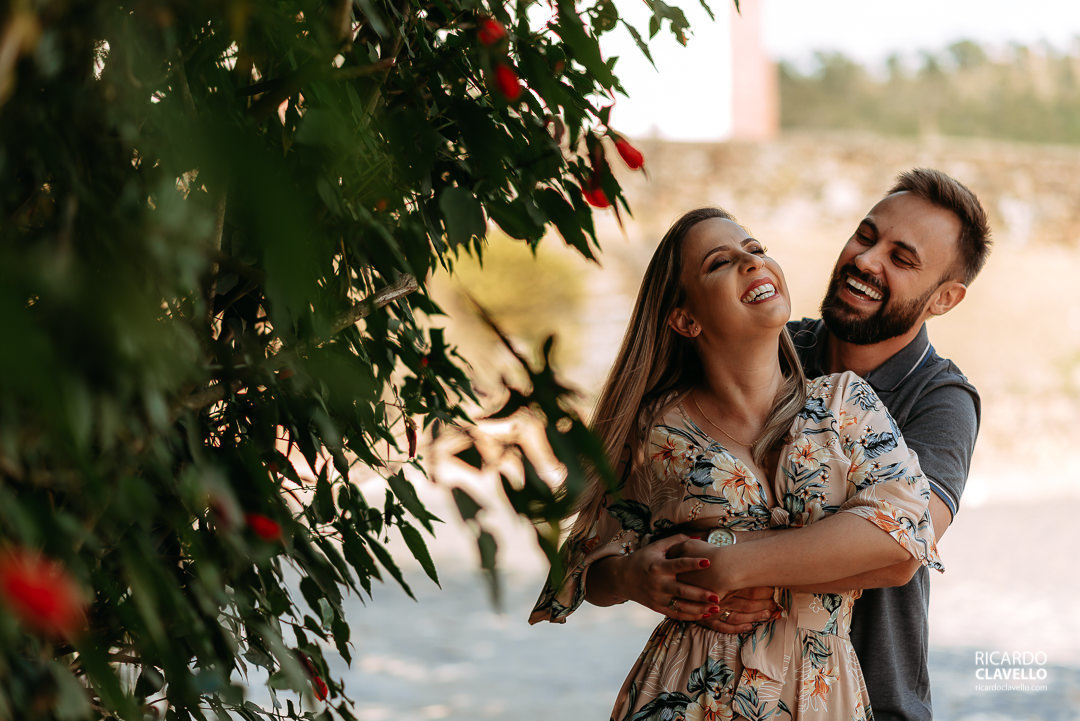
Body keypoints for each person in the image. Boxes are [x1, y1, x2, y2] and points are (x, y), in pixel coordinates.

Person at [583, 169, 991, 721]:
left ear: (944, 298)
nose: (867, 261)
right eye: (866, 236)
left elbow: (898, 546)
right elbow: (600, 544)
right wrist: (636, 576)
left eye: (902, 258)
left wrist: (733, 565)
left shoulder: (939, 397)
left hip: (863, 686)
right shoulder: (763, 341)